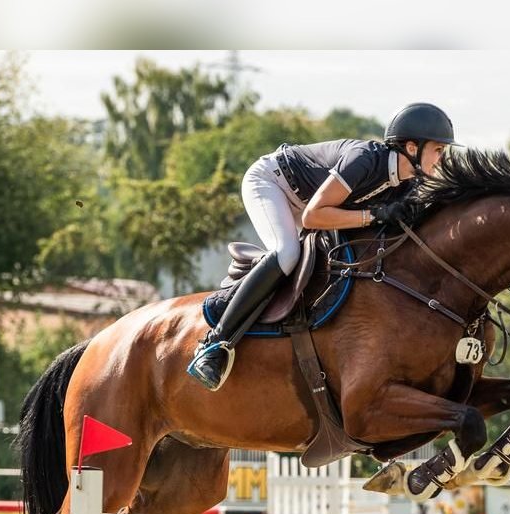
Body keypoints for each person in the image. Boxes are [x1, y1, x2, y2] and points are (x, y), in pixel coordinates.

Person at [187, 102, 457, 391]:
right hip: (273, 182)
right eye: (438, 150)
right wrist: (374, 215)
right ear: (412, 148)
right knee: (287, 253)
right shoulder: (364, 160)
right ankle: (215, 343)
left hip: (313, 204)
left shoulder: (406, 184)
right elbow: (313, 217)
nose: (441, 159)